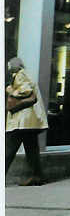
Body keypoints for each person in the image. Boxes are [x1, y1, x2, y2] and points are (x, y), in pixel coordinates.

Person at [6, 57, 49, 185]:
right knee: (32, 150)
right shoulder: (26, 74)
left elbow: (26, 91)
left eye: (9, 66)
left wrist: (10, 89)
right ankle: (37, 176)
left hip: (22, 121)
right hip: (30, 122)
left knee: (8, 149)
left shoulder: (20, 75)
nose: (8, 68)